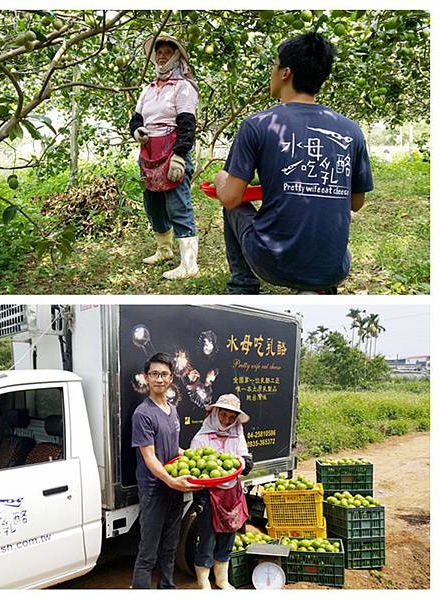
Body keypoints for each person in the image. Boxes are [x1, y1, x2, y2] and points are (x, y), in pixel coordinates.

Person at [214, 32, 374, 294]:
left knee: (232, 208)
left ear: (285, 73)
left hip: (273, 263)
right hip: (335, 267)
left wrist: (222, 179)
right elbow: (356, 203)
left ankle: (243, 286)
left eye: (273, 66)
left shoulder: (258, 125)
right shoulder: (351, 130)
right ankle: (322, 288)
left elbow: (231, 198)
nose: (271, 73)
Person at [129, 34, 199, 280]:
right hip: (149, 151)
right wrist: (137, 131)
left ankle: (189, 264)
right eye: (158, 53)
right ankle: (164, 250)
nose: (161, 57)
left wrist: (180, 155)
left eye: (167, 52)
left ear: (177, 57)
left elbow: (187, 123)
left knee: (177, 203)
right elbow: (136, 118)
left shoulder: (182, 88)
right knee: (153, 204)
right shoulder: (148, 89)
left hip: (172, 150)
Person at [131, 352, 202, 589]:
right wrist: (171, 481)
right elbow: (149, 457)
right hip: (154, 490)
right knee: (148, 551)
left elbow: (172, 448)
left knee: (170, 545)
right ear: (146, 378)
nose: (159, 379)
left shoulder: (172, 410)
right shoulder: (143, 414)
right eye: (154, 374)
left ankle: (167, 588)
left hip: (173, 486)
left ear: (171, 378)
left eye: (163, 374)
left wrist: (189, 456)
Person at [190, 394, 253, 589]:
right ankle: (203, 583)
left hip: (231, 494)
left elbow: (245, 460)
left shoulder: (237, 432)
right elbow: (197, 470)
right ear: (215, 413)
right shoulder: (201, 438)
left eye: (231, 417)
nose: (226, 420)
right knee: (207, 538)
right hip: (208, 495)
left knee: (228, 535)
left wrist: (244, 463)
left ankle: (222, 580)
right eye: (223, 415)